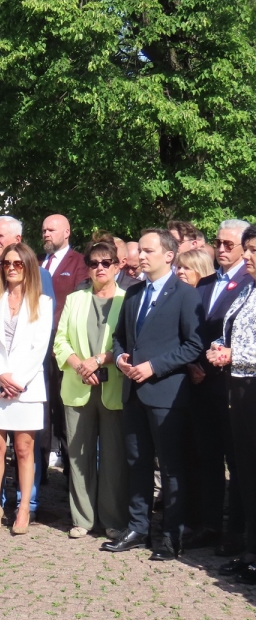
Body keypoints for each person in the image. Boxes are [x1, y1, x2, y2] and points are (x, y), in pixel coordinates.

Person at [104, 228, 204, 561]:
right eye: (140, 250)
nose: (141, 256)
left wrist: (154, 366)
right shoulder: (134, 293)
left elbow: (194, 344)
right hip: (133, 392)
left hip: (166, 394)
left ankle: (171, 536)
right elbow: (119, 336)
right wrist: (120, 357)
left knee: (172, 467)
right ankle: (138, 527)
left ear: (169, 255)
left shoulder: (185, 295)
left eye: (148, 251)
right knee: (138, 463)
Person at [184, 220, 253, 553]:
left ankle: (237, 532)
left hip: (235, 385)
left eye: (230, 244)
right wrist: (193, 363)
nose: (221, 249)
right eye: (219, 243)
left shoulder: (249, 283)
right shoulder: (206, 282)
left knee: (237, 462)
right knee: (206, 456)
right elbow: (194, 330)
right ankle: (208, 524)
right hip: (201, 381)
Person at [53, 242, 128, 539]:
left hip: (114, 388)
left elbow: (128, 342)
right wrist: (79, 365)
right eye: (94, 263)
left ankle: (113, 519)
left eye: (106, 262)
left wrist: (97, 361)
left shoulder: (127, 299)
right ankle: (82, 519)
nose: (100, 268)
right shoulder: (75, 299)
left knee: (114, 458)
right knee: (78, 457)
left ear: (117, 266)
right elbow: (60, 341)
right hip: (77, 385)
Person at [0, 243, 53, 535]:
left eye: (18, 263)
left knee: (23, 449)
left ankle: (23, 509)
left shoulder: (42, 303)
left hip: (26, 388)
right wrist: (1, 376)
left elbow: (39, 347)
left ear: (28, 267)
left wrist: (17, 381)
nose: (11, 268)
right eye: (6, 263)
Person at [206, 224, 256, 583]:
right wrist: (218, 347)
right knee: (244, 471)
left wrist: (234, 354)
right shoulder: (248, 288)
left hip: (252, 384)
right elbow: (230, 329)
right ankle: (250, 550)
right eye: (248, 250)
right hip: (237, 388)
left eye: (254, 251)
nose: (247, 256)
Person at [40, 214, 88, 475]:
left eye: (51, 230)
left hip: (64, 347)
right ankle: (39, 472)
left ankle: (72, 476)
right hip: (38, 346)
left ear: (67, 232)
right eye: (44, 230)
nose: (46, 234)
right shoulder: (38, 263)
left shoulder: (79, 263)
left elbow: (79, 303)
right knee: (42, 409)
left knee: (64, 411)